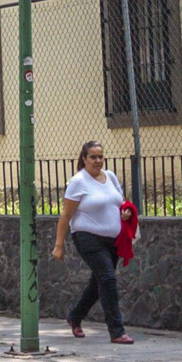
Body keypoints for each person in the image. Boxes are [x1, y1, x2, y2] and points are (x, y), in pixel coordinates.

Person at [51, 140, 134, 343]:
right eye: (93, 157)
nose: (97, 161)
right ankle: (117, 331)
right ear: (84, 159)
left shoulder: (111, 176)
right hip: (87, 237)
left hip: (112, 239)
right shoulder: (78, 181)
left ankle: (75, 316)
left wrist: (125, 212)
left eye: (100, 156)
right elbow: (66, 215)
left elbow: (120, 202)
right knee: (107, 279)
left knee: (98, 282)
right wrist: (59, 245)